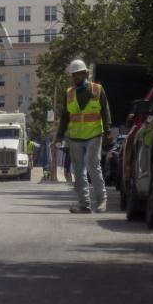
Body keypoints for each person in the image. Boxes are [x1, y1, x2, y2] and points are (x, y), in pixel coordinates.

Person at [55, 58, 113, 213]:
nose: (77, 77)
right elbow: (65, 116)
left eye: (79, 74)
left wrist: (108, 131)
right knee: (79, 171)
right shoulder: (69, 94)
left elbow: (105, 111)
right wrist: (59, 135)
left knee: (92, 165)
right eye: (74, 75)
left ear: (85, 73)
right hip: (75, 137)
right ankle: (84, 204)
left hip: (94, 134)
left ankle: (101, 200)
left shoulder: (97, 90)